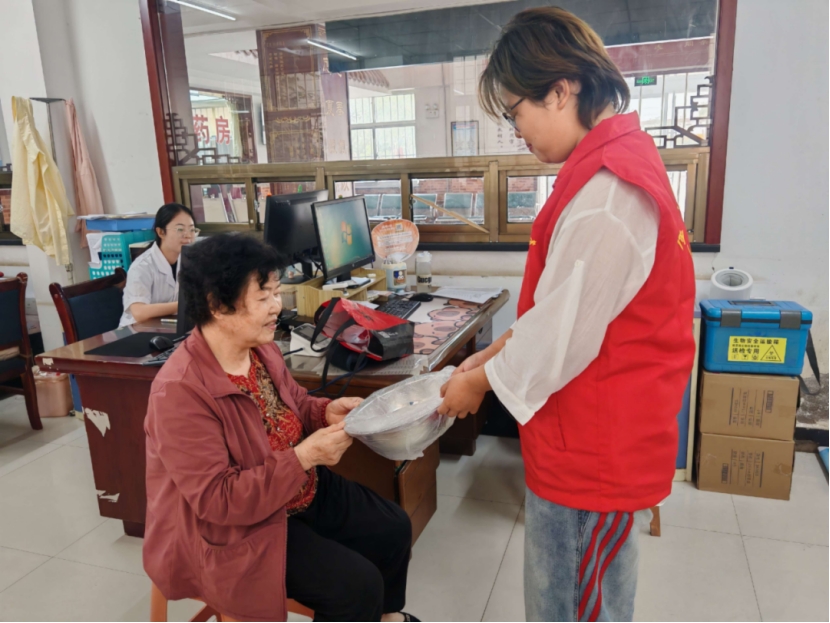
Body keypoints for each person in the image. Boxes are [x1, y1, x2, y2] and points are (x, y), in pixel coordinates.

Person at [438, 7, 695, 622]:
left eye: (515, 112)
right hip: (588, 437)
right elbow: (561, 310)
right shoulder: (609, 165)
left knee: (571, 606)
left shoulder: (609, 193)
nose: (516, 131)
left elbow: (560, 338)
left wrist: (476, 383)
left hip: (591, 452)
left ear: (560, 91)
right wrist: (488, 355)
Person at [143, 233, 419, 623]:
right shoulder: (180, 391)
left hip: (294, 487)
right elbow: (219, 500)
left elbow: (295, 403)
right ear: (217, 305)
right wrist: (303, 457)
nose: (278, 306)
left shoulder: (262, 348)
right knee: (356, 588)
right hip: (238, 526)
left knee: (393, 527)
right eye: (264, 297)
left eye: (276, 293)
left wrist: (326, 412)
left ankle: (386, 618)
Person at [118, 203, 196, 326]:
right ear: (160, 232)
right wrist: (183, 305)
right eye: (180, 229)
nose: (188, 235)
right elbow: (139, 312)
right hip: (139, 330)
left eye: (192, 229)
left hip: (170, 325)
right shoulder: (142, 266)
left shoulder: (189, 260)